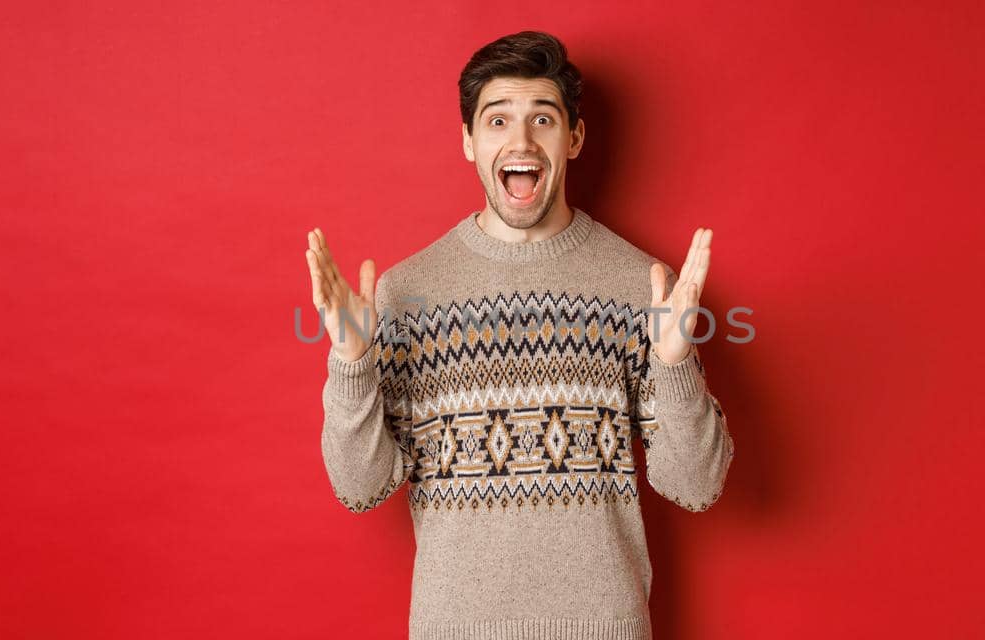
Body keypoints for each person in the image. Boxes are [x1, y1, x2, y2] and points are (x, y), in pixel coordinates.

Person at [303, 30, 734, 640]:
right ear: (468, 141)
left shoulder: (643, 286)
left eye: (543, 119)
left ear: (574, 138)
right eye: (498, 120)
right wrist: (351, 362)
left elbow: (696, 487)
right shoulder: (403, 294)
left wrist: (677, 362)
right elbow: (359, 489)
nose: (521, 140)